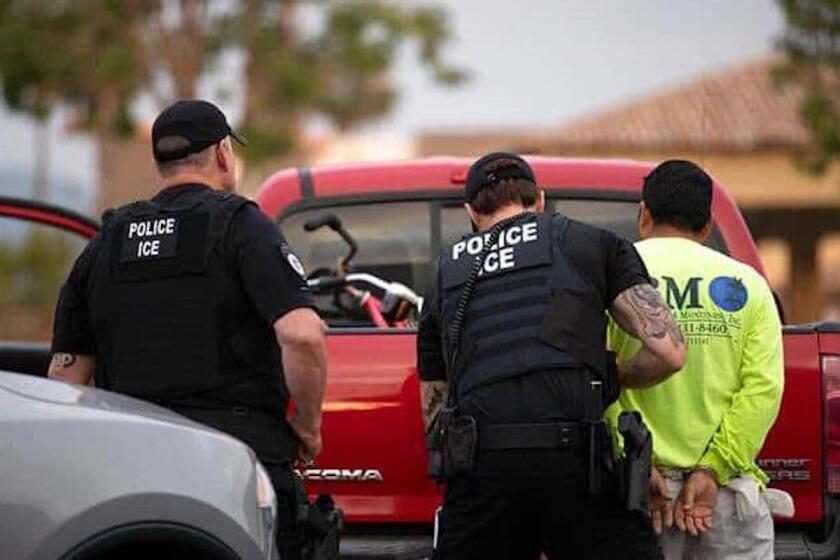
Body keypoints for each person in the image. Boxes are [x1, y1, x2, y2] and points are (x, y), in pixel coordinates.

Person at [47, 100, 328, 558]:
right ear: (222, 153)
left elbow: (66, 380)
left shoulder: (106, 243)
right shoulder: (242, 226)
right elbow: (302, 334)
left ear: (160, 163)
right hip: (235, 463)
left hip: (130, 469)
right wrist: (308, 427)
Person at [417, 152, 687, 560]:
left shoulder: (443, 273)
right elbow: (670, 352)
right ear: (539, 200)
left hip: (483, 472)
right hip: (577, 466)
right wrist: (617, 376)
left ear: (471, 211)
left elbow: (434, 415)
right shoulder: (589, 242)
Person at [607, 160, 784, 559]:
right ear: (706, 227)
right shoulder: (749, 287)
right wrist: (713, 466)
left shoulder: (610, 275)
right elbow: (763, 388)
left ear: (644, 215)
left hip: (636, 493)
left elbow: (595, 379)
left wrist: (636, 462)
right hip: (721, 498)